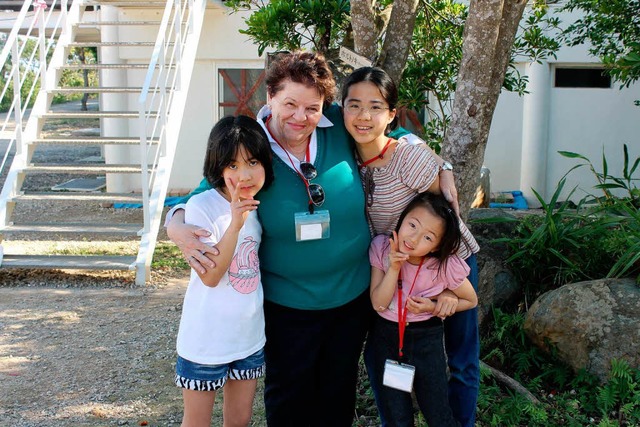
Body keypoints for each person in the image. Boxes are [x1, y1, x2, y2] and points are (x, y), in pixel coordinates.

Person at [167, 51, 374, 426]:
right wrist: (174, 219)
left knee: (337, 395)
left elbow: (386, 128)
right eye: (290, 104)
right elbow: (208, 187)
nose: (300, 117)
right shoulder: (250, 144)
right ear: (270, 98)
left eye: (312, 108)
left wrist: (440, 165)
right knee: (289, 399)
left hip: (349, 298)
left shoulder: (339, 129)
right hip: (286, 303)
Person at [341, 66, 481, 427]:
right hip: (393, 268)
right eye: (354, 105)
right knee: (384, 354)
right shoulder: (347, 158)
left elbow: (446, 218)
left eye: (375, 107)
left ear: (390, 114)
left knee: (459, 360)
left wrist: (446, 286)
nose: (363, 116)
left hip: (447, 263)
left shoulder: (407, 157)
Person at [173, 115, 274, 427]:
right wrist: (235, 224)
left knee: (239, 421)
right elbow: (211, 276)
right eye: (232, 165)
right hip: (205, 339)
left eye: (252, 162)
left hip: (248, 336)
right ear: (217, 167)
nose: (243, 175)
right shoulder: (201, 206)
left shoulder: (262, 204)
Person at [368, 192, 478, 427]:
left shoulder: (443, 265)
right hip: (386, 339)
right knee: (396, 414)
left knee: (438, 412)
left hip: (426, 341)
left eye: (428, 237)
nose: (414, 239)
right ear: (402, 217)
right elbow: (378, 303)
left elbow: (471, 300)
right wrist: (394, 268)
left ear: (438, 245)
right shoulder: (381, 248)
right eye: (412, 225)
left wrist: (437, 305)